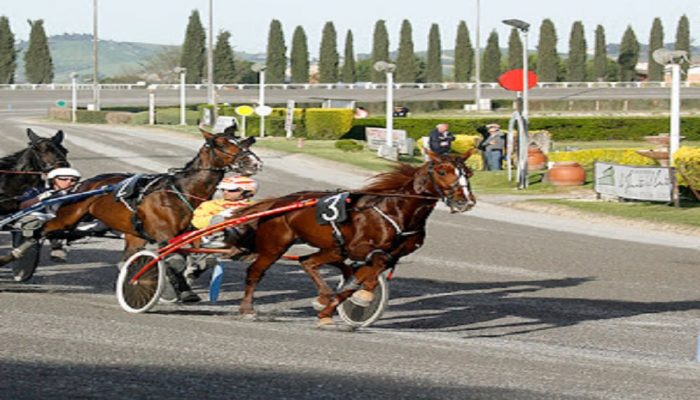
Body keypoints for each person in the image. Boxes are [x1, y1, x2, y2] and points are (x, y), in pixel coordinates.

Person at [182, 176, 259, 295]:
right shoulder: (210, 205)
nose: (226, 193)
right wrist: (221, 218)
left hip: (245, 239)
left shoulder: (256, 207)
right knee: (219, 219)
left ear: (248, 192)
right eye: (224, 190)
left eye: (232, 190)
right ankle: (193, 270)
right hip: (212, 237)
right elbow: (197, 222)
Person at [18, 167, 82, 262]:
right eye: (64, 179)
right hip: (40, 216)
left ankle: (58, 246)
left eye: (73, 180)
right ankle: (28, 239)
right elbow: (23, 206)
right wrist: (42, 197)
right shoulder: (37, 191)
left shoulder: (77, 195)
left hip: (62, 220)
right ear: (53, 180)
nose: (69, 182)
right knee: (33, 218)